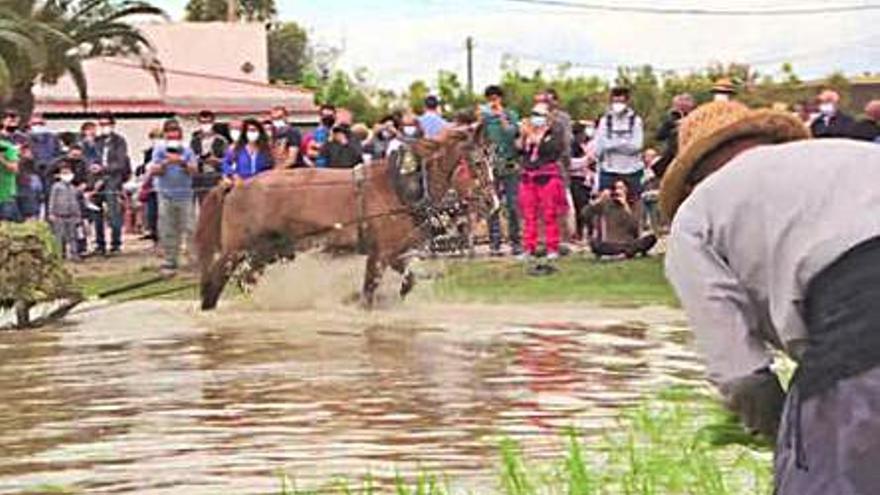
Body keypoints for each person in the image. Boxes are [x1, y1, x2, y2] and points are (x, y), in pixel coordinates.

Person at [660, 100, 880, 494]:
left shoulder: (696, 214)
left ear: (693, 178)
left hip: (860, 330)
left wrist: (782, 429)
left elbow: (741, 375)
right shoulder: (855, 153)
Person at [518, 102, 566, 265]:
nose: (536, 118)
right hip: (528, 176)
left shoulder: (555, 133)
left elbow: (553, 150)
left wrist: (535, 137)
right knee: (529, 215)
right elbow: (519, 150)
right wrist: (524, 136)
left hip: (547, 176)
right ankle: (528, 248)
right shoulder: (527, 132)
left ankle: (552, 247)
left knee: (549, 214)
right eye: (534, 114)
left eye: (540, 115)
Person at [479, 85, 522, 256]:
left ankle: (515, 241)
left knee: (512, 205)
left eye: (496, 98)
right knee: (492, 205)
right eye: (490, 99)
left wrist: (501, 115)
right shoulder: (485, 119)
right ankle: (494, 242)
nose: (493, 102)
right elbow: (478, 138)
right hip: (492, 165)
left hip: (510, 164)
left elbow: (512, 133)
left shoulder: (510, 115)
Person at [150, 120, 197, 272]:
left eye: (175, 137)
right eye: (170, 137)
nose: (173, 140)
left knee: (190, 228)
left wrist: (182, 162)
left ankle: (193, 260)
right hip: (165, 194)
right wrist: (165, 163)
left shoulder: (188, 150)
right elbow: (154, 171)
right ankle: (170, 260)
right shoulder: (159, 150)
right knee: (167, 229)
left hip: (185, 194)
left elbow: (194, 170)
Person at [583, 179, 656, 259]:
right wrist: (599, 200)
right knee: (595, 245)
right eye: (616, 188)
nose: (618, 191)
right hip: (610, 244)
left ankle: (624, 252)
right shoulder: (606, 203)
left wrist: (625, 206)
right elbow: (585, 214)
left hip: (629, 242)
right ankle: (626, 252)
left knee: (651, 238)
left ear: (627, 190)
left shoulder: (635, 204)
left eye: (621, 188)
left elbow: (635, 228)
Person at [594, 87, 645, 203]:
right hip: (609, 170)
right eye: (615, 101)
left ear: (627, 102)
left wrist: (612, 145)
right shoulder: (605, 121)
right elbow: (599, 148)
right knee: (605, 204)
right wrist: (624, 144)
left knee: (634, 205)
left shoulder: (636, 121)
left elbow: (636, 146)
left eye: (621, 101)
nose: (618, 105)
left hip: (632, 171)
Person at [93, 112, 131, 254]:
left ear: (112, 125)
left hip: (113, 180)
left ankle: (116, 244)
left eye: (107, 124)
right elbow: (90, 157)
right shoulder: (97, 141)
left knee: (114, 213)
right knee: (96, 213)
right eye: (101, 124)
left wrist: (104, 168)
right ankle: (100, 244)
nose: (104, 127)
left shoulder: (119, 141)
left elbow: (121, 163)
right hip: (96, 181)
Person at [189, 110, 229, 203]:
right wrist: (198, 160)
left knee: (217, 204)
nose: (205, 125)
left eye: (208, 122)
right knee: (203, 205)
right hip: (200, 178)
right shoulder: (194, 140)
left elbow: (227, 161)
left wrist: (216, 161)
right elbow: (191, 158)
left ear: (213, 122)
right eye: (203, 122)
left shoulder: (221, 140)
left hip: (216, 177)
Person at [654, 93, 695, 179]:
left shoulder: (696, 116)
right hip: (674, 153)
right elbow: (659, 136)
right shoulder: (671, 118)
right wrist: (673, 124)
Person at [48, 162, 82, 261]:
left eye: (68, 172)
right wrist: (51, 213)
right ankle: (59, 255)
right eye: (64, 173)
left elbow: (76, 202)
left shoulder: (73, 188)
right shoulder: (56, 187)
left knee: (73, 236)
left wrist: (78, 215)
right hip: (59, 215)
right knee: (59, 236)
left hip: (72, 215)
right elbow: (52, 200)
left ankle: (74, 254)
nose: (66, 175)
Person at [568, 121, 596, 242]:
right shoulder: (572, 146)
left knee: (589, 206)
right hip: (576, 179)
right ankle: (580, 232)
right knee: (580, 207)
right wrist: (586, 161)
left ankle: (590, 231)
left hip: (588, 179)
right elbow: (570, 164)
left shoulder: (586, 145)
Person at [0, 136, 20, 222]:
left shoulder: (7, 147)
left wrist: (2, 159)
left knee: (6, 226)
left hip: (6, 195)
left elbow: (15, 168)